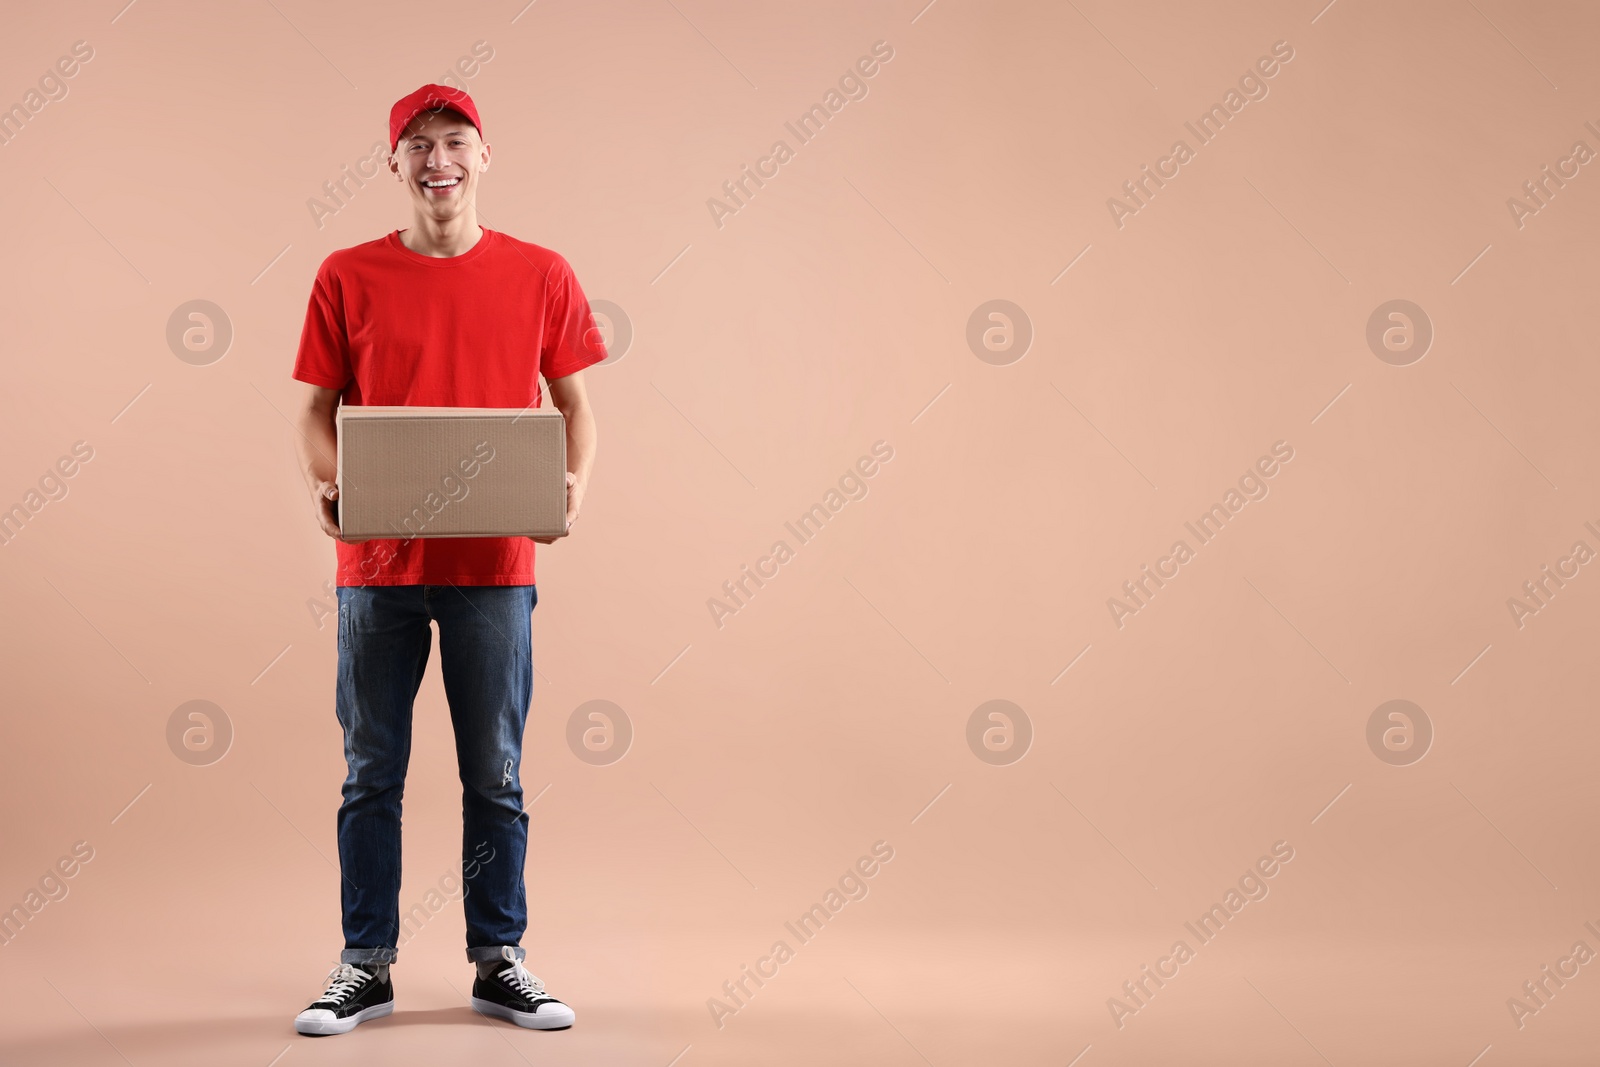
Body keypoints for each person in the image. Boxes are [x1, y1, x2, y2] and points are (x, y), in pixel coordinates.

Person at [286, 83, 605, 1036]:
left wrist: (574, 484)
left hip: (496, 566)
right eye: (418, 144)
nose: (439, 160)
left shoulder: (541, 273)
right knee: (371, 770)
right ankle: (364, 964)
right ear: (395, 163)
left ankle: (498, 958)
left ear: (483, 155)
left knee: (495, 770)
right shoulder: (347, 275)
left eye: (455, 141)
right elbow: (312, 408)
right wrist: (329, 486)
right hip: (377, 567)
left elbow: (577, 404)